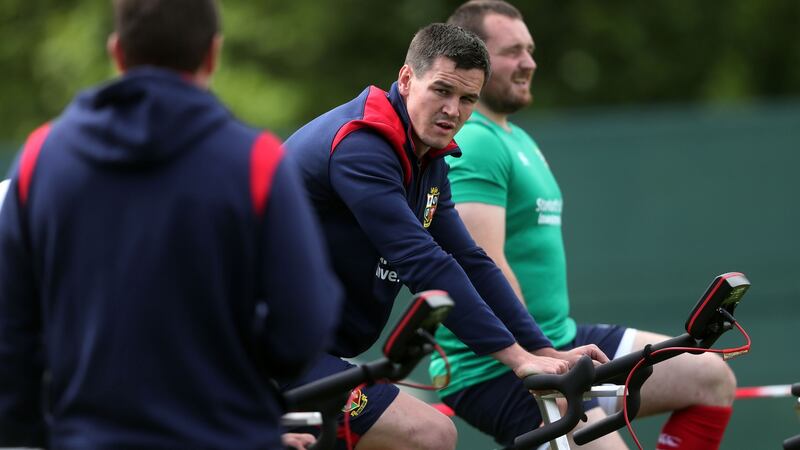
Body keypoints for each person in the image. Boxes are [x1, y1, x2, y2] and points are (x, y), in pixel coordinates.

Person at [0, 0, 341, 448]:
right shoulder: (255, 161)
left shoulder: (41, 158)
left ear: (117, 51)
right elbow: (304, 327)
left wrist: (40, 430)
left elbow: (10, 328)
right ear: (212, 54)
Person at [282, 22, 608, 450]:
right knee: (430, 434)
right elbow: (423, 263)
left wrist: (540, 350)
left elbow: (469, 259)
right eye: (441, 90)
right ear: (405, 79)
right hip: (258, 351)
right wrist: (517, 359)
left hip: (302, 349)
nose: (453, 110)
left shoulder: (427, 156)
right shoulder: (362, 144)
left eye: (467, 98)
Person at [429, 2, 738, 449]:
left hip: (561, 340)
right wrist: (539, 356)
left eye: (530, 50)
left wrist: (556, 349)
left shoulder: (515, 138)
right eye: (513, 51)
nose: (530, 62)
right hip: (500, 368)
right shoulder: (475, 142)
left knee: (708, 376)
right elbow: (483, 265)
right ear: (474, 62)